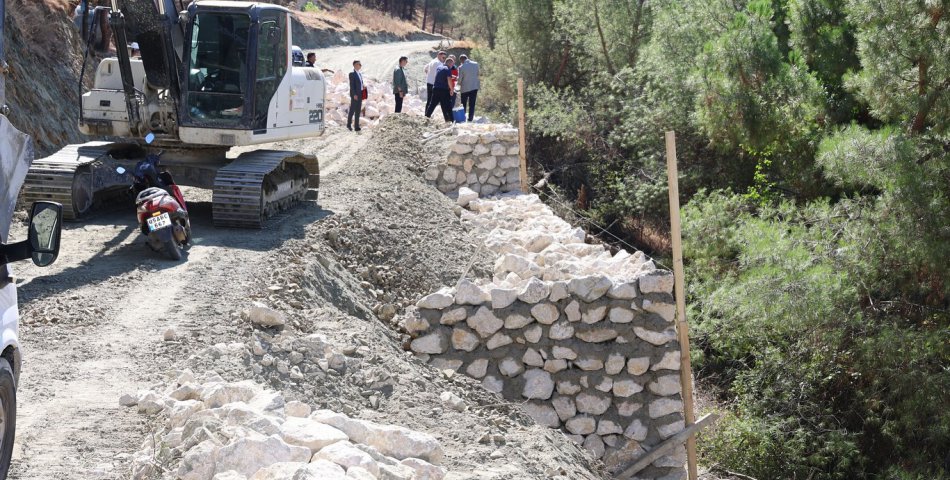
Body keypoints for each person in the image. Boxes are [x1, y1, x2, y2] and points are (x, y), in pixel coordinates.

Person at [425, 57, 455, 122]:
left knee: (432, 104)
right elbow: (449, 79)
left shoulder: (439, 67)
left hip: (436, 88)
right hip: (444, 90)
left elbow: (439, 76)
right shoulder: (448, 69)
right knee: (447, 105)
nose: (452, 66)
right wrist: (452, 89)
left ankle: (426, 117)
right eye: (452, 64)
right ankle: (451, 120)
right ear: (449, 63)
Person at [457, 54, 480, 122]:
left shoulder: (461, 67)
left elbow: (460, 79)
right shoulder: (476, 64)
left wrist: (458, 83)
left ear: (461, 60)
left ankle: (463, 118)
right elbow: (478, 74)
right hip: (474, 87)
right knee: (472, 104)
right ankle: (470, 119)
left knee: (463, 103)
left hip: (465, 88)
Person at [347, 60, 365, 131]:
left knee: (358, 110)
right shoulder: (352, 74)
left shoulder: (360, 74)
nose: (360, 65)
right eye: (359, 64)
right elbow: (352, 85)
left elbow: (359, 84)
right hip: (355, 95)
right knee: (352, 110)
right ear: (354, 65)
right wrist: (354, 94)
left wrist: (363, 86)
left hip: (360, 94)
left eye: (360, 64)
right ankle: (348, 124)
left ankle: (356, 126)